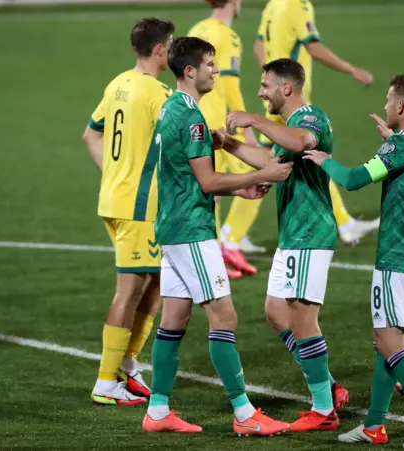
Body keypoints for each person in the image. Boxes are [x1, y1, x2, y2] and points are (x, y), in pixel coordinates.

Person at [141, 37, 291, 436]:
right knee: (224, 315)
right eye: (210, 64)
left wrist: (240, 188)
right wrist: (261, 175)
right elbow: (206, 180)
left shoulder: (175, 108)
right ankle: (244, 414)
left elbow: (189, 178)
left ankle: (157, 411)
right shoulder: (189, 116)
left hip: (173, 228)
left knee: (174, 317)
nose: (216, 70)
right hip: (191, 230)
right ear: (189, 71)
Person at [304, 74, 404, 448]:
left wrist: (325, 161)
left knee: (388, 340)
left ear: (401, 107)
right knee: (386, 342)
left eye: (390, 101)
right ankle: (374, 424)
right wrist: (393, 144)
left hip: (398, 258)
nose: (386, 106)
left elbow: (356, 179)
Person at [225, 58, 344, 432]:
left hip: (311, 234)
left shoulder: (310, 119)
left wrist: (254, 121)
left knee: (303, 320)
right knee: (277, 312)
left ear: (286, 88)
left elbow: (300, 143)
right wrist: (226, 143)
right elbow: (268, 158)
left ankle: (324, 409)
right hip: (293, 235)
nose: (260, 92)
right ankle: (329, 385)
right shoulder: (288, 126)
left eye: (265, 85)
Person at [216, 0, 379, 256]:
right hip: (290, 101)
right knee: (305, 156)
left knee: (279, 159)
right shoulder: (297, 5)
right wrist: (352, 70)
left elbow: (259, 47)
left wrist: (269, 80)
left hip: (280, 95)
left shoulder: (271, 6)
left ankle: (233, 231)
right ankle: (233, 233)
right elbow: (313, 46)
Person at [82, 17, 175, 406]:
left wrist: (115, 176)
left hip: (116, 200)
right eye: (170, 45)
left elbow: (91, 134)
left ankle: (128, 366)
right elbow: (182, 143)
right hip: (139, 207)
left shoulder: (117, 83)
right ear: (158, 50)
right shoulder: (157, 93)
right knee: (131, 288)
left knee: (153, 286)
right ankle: (106, 381)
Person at [187, 0, 262, 279]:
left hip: (193, 119)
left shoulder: (197, 29)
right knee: (259, 175)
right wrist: (247, 127)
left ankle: (216, 251)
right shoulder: (227, 36)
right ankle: (229, 242)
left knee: (211, 192)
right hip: (220, 124)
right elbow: (229, 85)